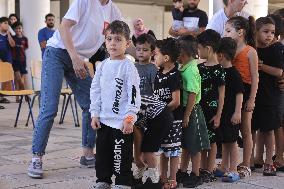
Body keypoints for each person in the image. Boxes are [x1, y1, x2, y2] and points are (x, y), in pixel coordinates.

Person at [27, 0, 122, 179]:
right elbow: (64, 27)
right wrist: (74, 57)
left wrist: (146, 47)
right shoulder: (85, 2)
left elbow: (123, 36)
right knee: (49, 108)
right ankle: (36, 157)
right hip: (58, 53)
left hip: (78, 58)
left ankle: (87, 154)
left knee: (93, 103)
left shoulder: (113, 10)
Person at [90, 20, 141, 189]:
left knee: (122, 156)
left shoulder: (129, 67)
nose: (113, 43)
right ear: (105, 42)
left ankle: (122, 182)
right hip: (104, 120)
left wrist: (130, 118)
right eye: (109, 38)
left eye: (118, 39)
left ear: (127, 43)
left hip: (121, 123)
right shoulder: (102, 66)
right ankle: (103, 180)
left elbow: (134, 94)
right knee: (102, 155)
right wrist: (94, 113)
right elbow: (95, 90)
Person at [224, 16, 259, 178]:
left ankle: (246, 163)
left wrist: (252, 99)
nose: (225, 33)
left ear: (240, 32)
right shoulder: (228, 50)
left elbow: (255, 77)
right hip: (230, 93)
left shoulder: (250, 51)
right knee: (228, 129)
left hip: (245, 91)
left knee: (246, 130)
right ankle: (227, 163)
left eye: (228, 30)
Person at [251, 17, 283, 177]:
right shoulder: (251, 49)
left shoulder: (276, 49)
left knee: (269, 130)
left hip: (270, 97)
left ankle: (269, 161)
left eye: (272, 32)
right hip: (253, 97)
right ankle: (252, 160)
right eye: (265, 32)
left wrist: (262, 67)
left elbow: (279, 72)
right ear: (256, 32)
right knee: (252, 130)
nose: (269, 35)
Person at [177, 35, 210, 188]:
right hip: (185, 109)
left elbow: (192, 94)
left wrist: (187, 115)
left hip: (192, 110)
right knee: (185, 144)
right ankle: (183, 171)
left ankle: (195, 173)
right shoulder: (183, 66)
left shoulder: (191, 69)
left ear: (183, 52)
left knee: (194, 145)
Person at [197, 29, 226, 182]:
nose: (198, 51)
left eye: (199, 48)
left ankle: (209, 168)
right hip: (200, 111)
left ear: (208, 49)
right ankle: (202, 168)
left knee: (212, 142)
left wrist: (219, 115)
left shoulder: (219, 70)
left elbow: (222, 94)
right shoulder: (199, 68)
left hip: (212, 112)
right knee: (203, 141)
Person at [153, 38, 181, 189]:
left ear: (166, 57)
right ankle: (163, 177)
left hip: (173, 119)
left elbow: (176, 101)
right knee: (163, 150)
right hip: (161, 119)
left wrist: (161, 111)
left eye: (156, 54)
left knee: (173, 150)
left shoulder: (174, 75)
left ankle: (173, 178)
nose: (154, 57)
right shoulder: (159, 73)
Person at [216, 37, 244, 183]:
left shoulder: (234, 73)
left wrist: (238, 112)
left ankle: (234, 169)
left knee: (232, 142)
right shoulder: (220, 72)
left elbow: (240, 94)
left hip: (231, 113)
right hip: (223, 113)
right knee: (225, 141)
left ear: (220, 55)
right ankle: (223, 166)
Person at [132, 33, 157, 186]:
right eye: (139, 49)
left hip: (147, 109)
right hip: (133, 108)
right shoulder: (132, 66)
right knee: (136, 139)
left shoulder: (152, 69)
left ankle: (148, 167)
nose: (141, 52)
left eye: (145, 50)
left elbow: (155, 90)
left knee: (145, 142)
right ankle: (139, 165)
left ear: (152, 52)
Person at [133, 95, 173, 189]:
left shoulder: (127, 109)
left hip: (161, 116)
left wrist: (137, 157)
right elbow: (140, 132)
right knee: (146, 147)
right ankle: (138, 177)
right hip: (161, 114)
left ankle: (155, 182)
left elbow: (137, 135)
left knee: (148, 149)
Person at [0, 17, 15, 106]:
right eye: (5, 23)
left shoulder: (8, 35)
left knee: (5, 79)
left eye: (8, 23)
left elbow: (12, 45)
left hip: (8, 59)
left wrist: (9, 34)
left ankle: (1, 97)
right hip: (0, 60)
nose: (7, 25)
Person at [11, 21, 28, 93]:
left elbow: (26, 47)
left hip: (23, 60)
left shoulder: (25, 39)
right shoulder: (13, 38)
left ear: (22, 29)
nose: (18, 30)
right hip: (15, 60)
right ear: (14, 30)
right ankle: (25, 93)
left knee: (21, 78)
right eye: (16, 29)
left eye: (19, 28)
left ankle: (18, 96)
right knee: (18, 79)